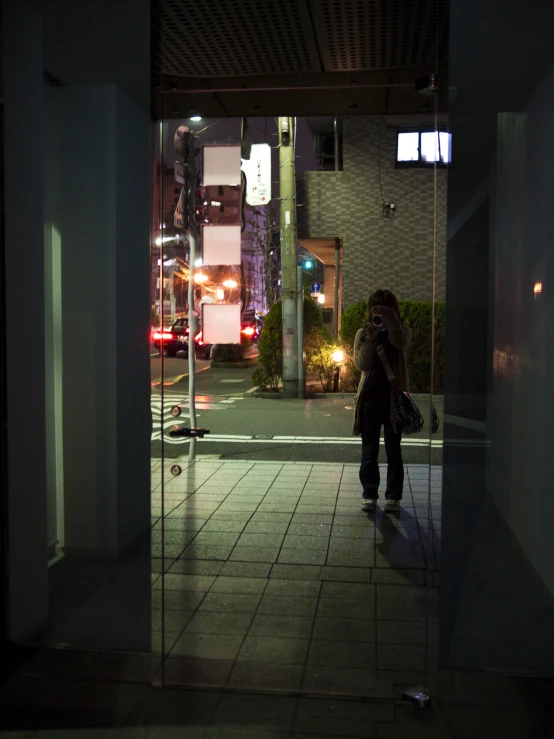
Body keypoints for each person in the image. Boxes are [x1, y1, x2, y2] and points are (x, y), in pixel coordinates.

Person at [352, 289, 412, 512]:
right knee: (369, 450)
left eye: (386, 310)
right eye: (377, 310)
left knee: (393, 450)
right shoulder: (363, 333)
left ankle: (393, 496)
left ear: (394, 311)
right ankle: (369, 493)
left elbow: (401, 342)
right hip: (368, 400)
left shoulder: (401, 331)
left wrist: (391, 320)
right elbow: (361, 364)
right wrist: (371, 337)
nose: (380, 316)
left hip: (393, 400)